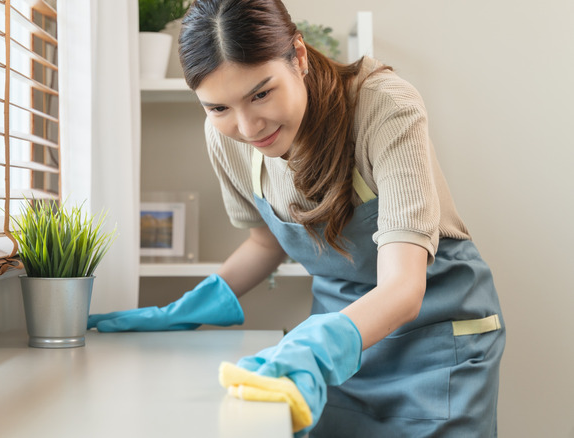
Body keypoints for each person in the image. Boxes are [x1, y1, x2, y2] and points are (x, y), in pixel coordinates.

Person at [89, 0, 506, 436]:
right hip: (340, 359)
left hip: (435, 349)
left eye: (261, 93)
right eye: (218, 108)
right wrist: (189, 308)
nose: (248, 128)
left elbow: (403, 287)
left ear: (299, 56)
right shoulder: (225, 138)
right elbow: (266, 244)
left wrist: (317, 346)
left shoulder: (381, 105)